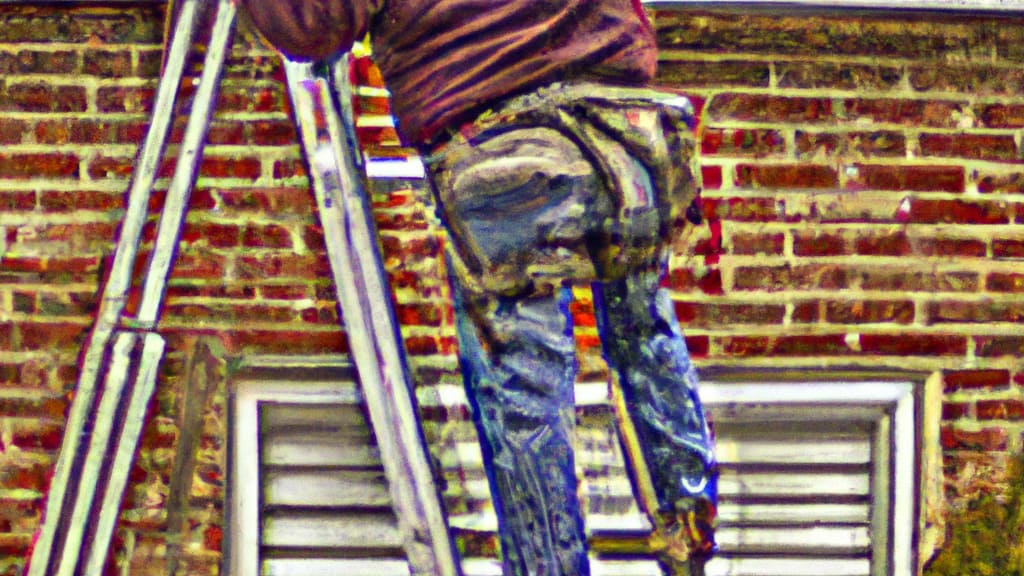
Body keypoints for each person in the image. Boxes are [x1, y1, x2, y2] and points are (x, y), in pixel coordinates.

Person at [240, 2, 718, 574]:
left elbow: (315, 28)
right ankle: (687, 528)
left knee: (525, 389)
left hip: (505, 141)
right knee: (645, 334)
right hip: (626, 123)